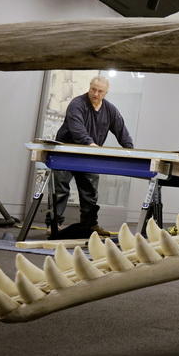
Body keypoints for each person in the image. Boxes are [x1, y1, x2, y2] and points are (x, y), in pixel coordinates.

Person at [46, 75, 134, 236]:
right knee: (60, 191)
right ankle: (53, 224)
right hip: (66, 153)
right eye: (93, 89)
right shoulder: (77, 104)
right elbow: (77, 129)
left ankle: (90, 225)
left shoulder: (110, 110)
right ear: (89, 87)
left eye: (100, 91)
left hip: (89, 156)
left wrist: (130, 150)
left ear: (106, 93)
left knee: (90, 192)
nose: (95, 94)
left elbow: (122, 131)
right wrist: (91, 145)